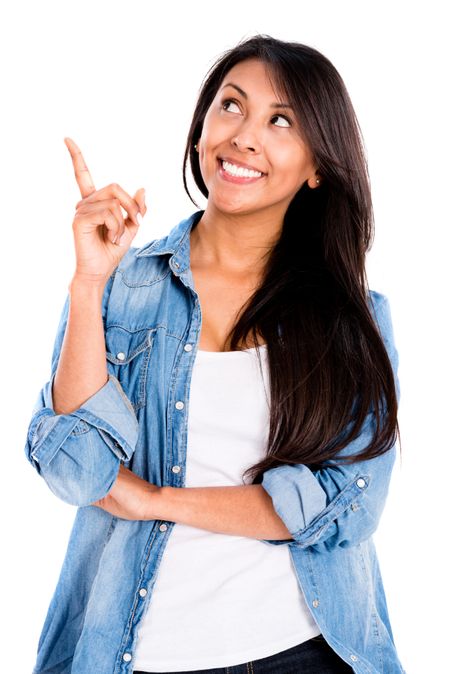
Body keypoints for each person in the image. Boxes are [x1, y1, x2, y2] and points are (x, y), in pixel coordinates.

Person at [24, 34, 405, 674]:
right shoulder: (122, 291)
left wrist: (155, 500)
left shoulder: (350, 318)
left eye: (280, 121)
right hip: (138, 654)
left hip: (306, 650)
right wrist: (89, 281)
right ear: (202, 126)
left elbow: (346, 503)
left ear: (316, 165)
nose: (244, 135)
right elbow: (78, 472)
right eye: (231, 105)